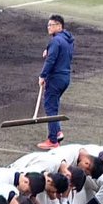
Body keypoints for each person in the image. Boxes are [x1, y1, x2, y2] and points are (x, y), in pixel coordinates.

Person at [38, 14, 74, 149]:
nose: (49, 27)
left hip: (56, 78)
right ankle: (57, 132)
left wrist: (43, 76)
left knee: (50, 107)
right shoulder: (67, 40)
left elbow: (51, 60)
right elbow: (60, 52)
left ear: (59, 26)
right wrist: (49, 49)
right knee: (54, 104)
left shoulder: (56, 41)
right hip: (65, 78)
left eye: (51, 25)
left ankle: (53, 140)